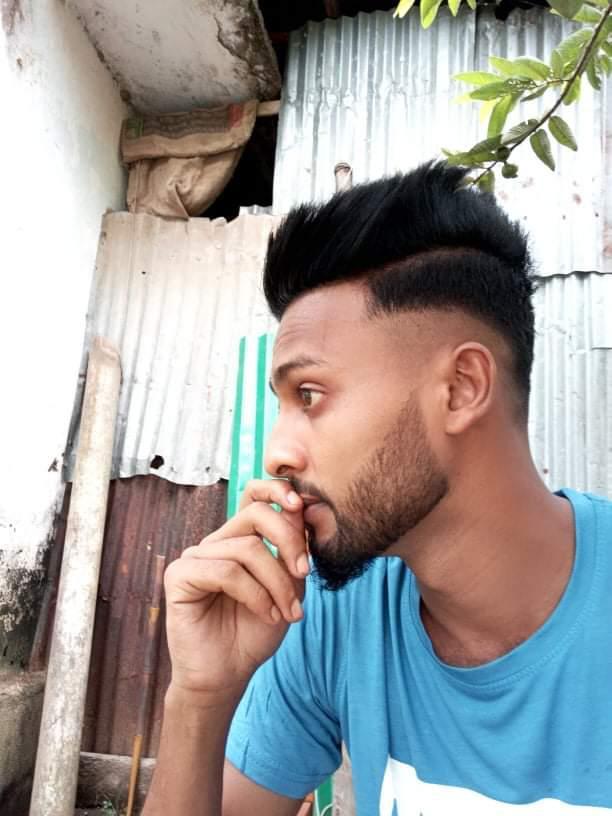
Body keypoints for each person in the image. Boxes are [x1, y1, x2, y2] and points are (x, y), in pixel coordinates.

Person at [142, 162, 612, 815]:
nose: (276, 454)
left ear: (461, 389)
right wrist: (200, 696)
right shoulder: (333, 614)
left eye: (309, 394)